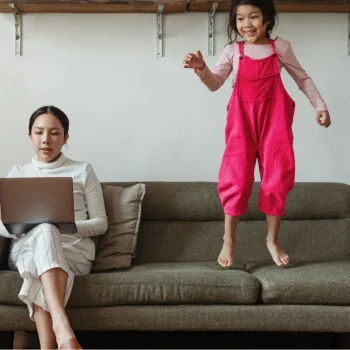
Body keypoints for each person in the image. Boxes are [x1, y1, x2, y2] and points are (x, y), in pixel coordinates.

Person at [183, 0, 331, 268]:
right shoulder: (233, 51)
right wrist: (201, 69)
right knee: (237, 181)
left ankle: (272, 240)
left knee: (275, 181)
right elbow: (215, 83)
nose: (246, 24)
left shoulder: (281, 49)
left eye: (253, 17)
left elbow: (303, 79)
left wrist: (320, 106)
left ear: (267, 20)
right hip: (241, 126)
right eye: (240, 19)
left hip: (275, 124)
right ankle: (229, 239)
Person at [0, 106, 108, 349]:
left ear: (66, 137)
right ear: (30, 136)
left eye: (54, 133)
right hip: (26, 249)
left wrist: (65, 226)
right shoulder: (18, 173)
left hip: (73, 254)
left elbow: (101, 223)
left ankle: (50, 345)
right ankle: (62, 328)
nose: (45, 140)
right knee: (44, 231)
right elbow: (1, 225)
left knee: (47, 234)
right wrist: (23, 228)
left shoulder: (83, 170)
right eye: (38, 132)